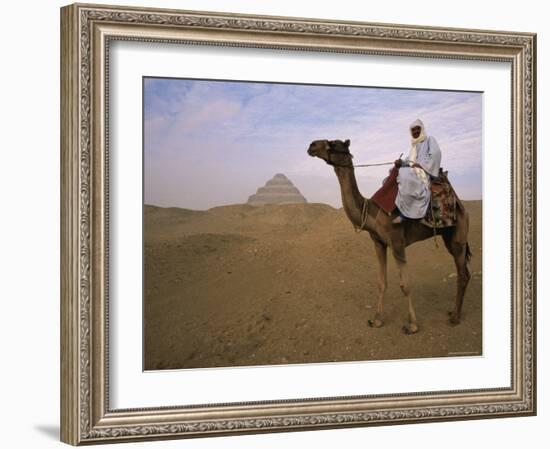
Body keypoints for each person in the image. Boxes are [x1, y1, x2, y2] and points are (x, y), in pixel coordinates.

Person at [392, 119, 442, 224]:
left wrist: (422, 165)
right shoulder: (414, 146)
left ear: (422, 129)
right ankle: (395, 207)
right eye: (413, 130)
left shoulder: (429, 140)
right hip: (413, 170)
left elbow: (436, 154)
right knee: (393, 172)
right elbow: (409, 161)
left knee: (405, 176)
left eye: (417, 129)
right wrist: (400, 162)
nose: (415, 132)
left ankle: (405, 215)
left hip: (423, 172)